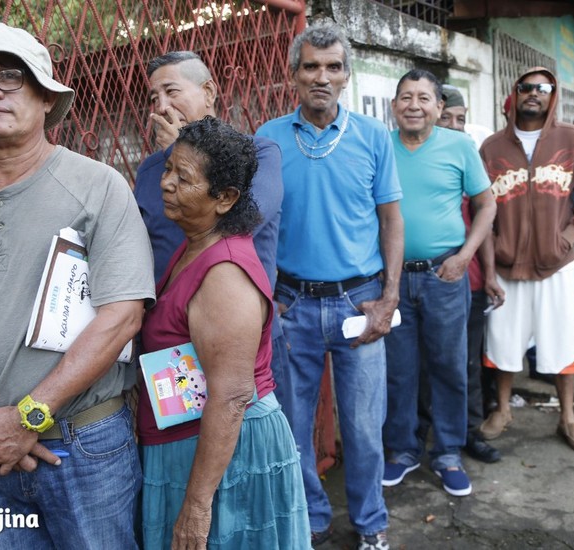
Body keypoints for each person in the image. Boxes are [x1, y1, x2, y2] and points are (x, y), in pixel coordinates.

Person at [0, 22, 154, 548]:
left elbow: (122, 317)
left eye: (10, 76)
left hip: (82, 443)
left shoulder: (98, 186)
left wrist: (28, 417)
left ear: (45, 98)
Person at [256, 21, 403, 550]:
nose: (322, 77)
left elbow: (391, 220)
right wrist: (265, 294)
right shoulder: (268, 138)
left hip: (359, 302)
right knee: (292, 427)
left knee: (363, 427)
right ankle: (312, 517)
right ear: (294, 74)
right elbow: (256, 222)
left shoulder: (373, 136)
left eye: (333, 67)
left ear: (346, 76)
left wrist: (389, 297)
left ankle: (370, 522)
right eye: (311, 66)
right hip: (291, 304)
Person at [136, 117, 309, 549]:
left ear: (225, 198)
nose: (166, 183)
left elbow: (231, 397)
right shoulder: (195, 245)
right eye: (168, 169)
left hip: (225, 453)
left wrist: (197, 505)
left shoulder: (225, 273)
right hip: (192, 442)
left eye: (183, 177)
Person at [133, 51, 291, 415]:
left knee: (256, 435)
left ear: (208, 92)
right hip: (173, 347)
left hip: (247, 341)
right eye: (154, 98)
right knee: (185, 442)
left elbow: (245, 218)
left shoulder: (259, 153)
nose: (162, 106)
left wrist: (181, 152)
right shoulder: (150, 171)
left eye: (172, 91)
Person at [381, 71, 495, 498]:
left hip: (443, 277)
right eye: (406, 97)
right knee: (399, 370)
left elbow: (486, 206)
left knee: (449, 367)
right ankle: (402, 449)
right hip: (392, 279)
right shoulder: (381, 146)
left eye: (424, 98)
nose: (414, 105)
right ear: (394, 105)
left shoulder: (459, 146)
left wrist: (464, 256)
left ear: (439, 107)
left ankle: (447, 453)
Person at [478, 67, 574, 454]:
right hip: (507, 265)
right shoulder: (492, 148)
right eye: (526, 87)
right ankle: (503, 410)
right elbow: (480, 206)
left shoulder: (573, 139)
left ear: (553, 95)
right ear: (514, 93)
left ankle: (568, 417)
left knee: (563, 341)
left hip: (557, 265)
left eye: (543, 88)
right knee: (502, 342)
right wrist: (494, 249)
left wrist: (567, 238)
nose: (534, 93)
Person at [435, 84, 501, 464]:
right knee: (428, 365)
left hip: (470, 280)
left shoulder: (467, 159)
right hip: (428, 280)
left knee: (467, 362)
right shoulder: (411, 158)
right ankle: (425, 436)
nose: (454, 126)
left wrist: (488, 274)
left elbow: (484, 221)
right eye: (447, 118)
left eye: (460, 119)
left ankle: (469, 433)